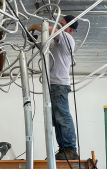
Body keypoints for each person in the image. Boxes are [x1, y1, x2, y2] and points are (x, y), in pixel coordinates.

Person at [28, 15, 79, 160]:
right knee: (57, 120)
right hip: (52, 85)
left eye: (61, 24)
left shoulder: (67, 39)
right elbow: (45, 45)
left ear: (69, 28)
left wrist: (33, 27)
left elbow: (48, 29)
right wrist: (34, 39)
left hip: (59, 84)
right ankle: (63, 149)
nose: (58, 26)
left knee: (62, 116)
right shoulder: (55, 42)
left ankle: (70, 149)